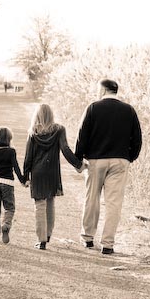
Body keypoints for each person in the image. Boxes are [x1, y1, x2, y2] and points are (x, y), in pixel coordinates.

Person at [75, 79, 142, 255]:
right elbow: (137, 139)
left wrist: (78, 159)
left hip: (96, 160)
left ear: (103, 90)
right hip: (120, 160)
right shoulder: (129, 110)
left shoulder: (93, 108)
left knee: (92, 199)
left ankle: (88, 238)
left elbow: (82, 135)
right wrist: (129, 158)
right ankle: (107, 244)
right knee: (114, 203)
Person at [24, 104, 86, 250]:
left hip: (37, 172)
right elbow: (65, 149)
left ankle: (41, 240)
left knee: (40, 205)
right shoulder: (59, 130)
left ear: (37, 115)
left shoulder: (33, 132)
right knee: (50, 202)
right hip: (52, 171)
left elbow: (28, 156)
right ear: (51, 115)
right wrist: (78, 164)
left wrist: (25, 176)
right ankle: (48, 234)